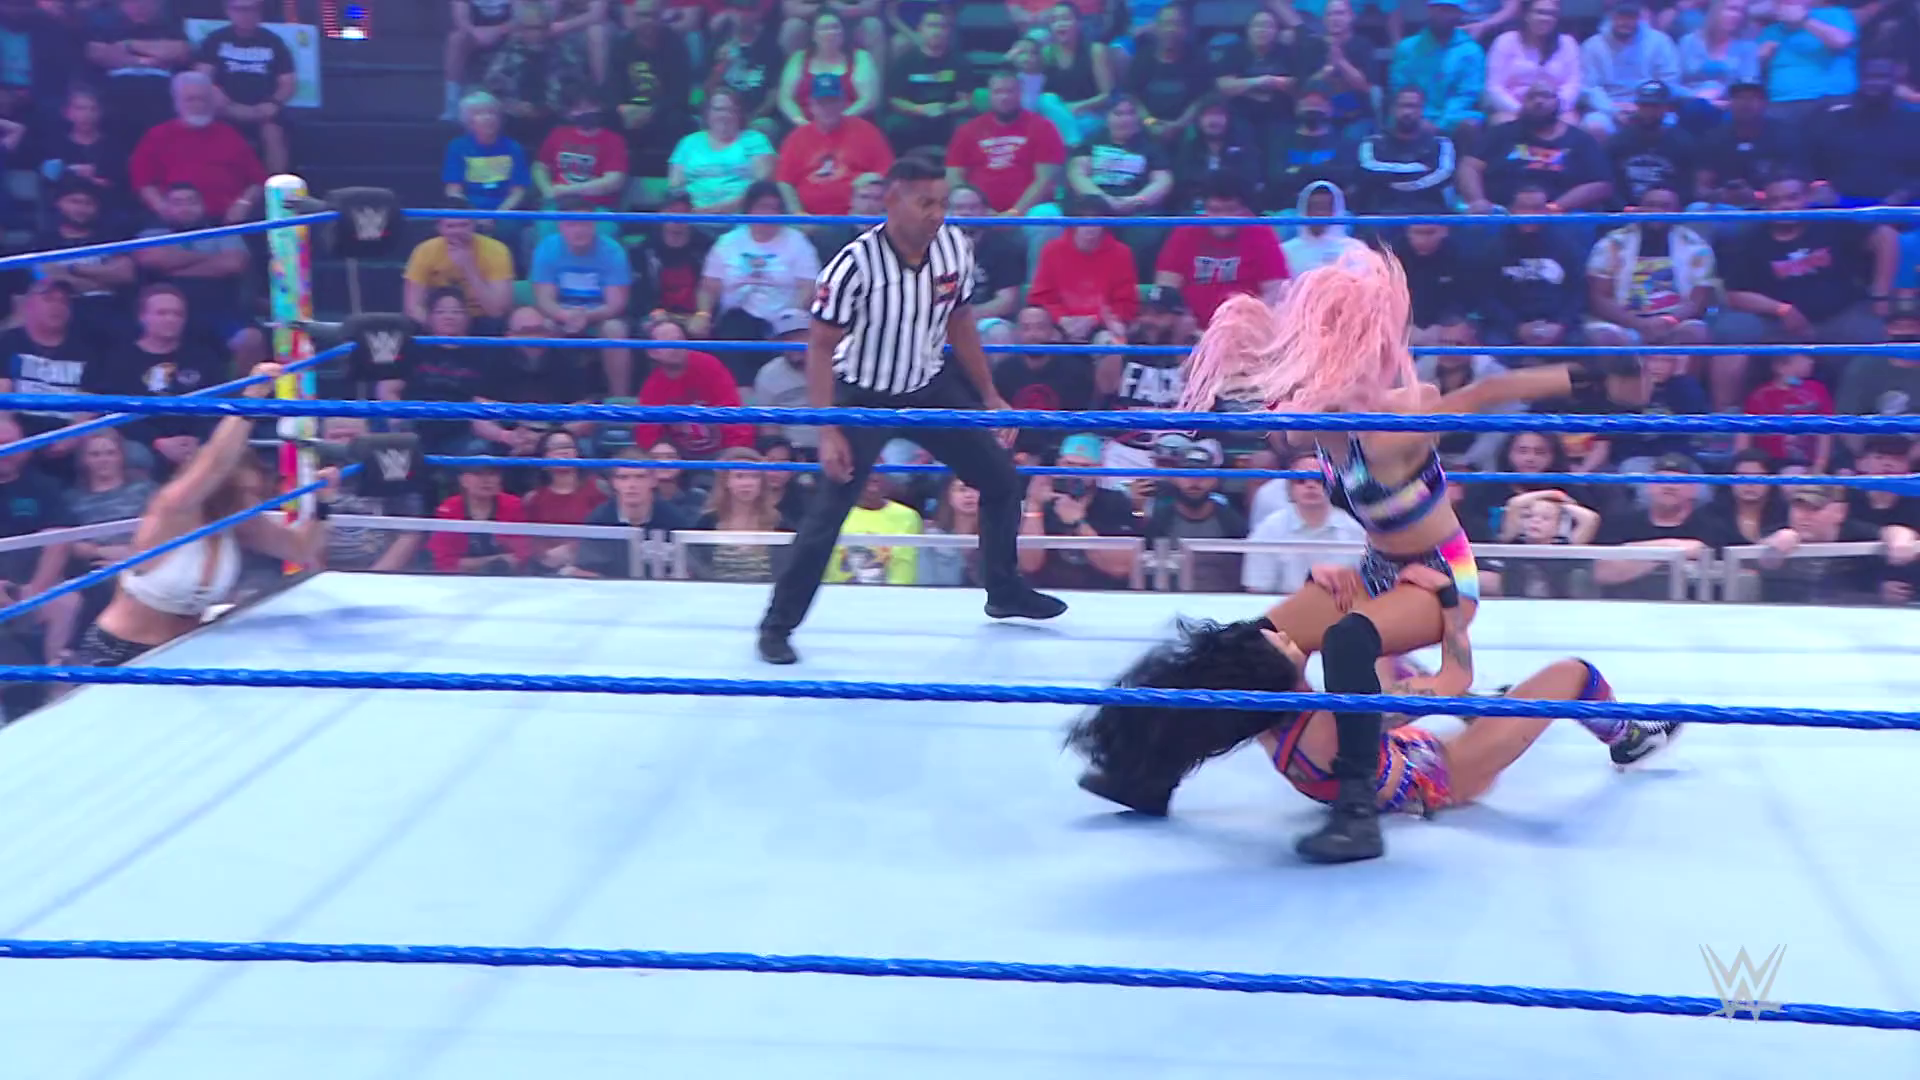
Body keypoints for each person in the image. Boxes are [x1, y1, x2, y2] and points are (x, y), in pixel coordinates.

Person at [1167, 245, 1638, 863]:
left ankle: (1362, 811)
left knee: (1350, 646)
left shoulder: (1395, 427)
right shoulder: (1318, 431)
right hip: (1379, 576)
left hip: (1439, 576)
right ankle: (1148, 768)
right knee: (1255, 643)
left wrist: (1596, 379)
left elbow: (1490, 391)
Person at [1067, 564, 1682, 823]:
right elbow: (1451, 682)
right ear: (1278, 675)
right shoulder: (1334, 722)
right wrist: (1451, 610)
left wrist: (1328, 585)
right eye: (1283, 647)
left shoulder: (1252, 715)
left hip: (1396, 746)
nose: (1286, 638)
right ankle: (1627, 736)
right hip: (1443, 775)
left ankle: (1493, 705)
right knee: (1573, 674)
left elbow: (1311, 643)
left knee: (1368, 642)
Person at [756, 155, 1065, 665]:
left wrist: (990, 396)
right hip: (862, 393)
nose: (936, 213)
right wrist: (827, 427)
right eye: (925, 203)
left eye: (941, 202)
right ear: (893, 200)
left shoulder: (954, 246)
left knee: (1001, 479)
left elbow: (960, 320)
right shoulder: (854, 265)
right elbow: (820, 346)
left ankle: (1003, 590)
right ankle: (776, 626)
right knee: (829, 512)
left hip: (927, 383)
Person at [71, 364, 331, 668]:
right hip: (119, 652)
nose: (254, 500)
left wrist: (324, 503)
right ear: (222, 486)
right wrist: (251, 401)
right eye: (246, 492)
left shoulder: (236, 520)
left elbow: (302, 549)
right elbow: (216, 462)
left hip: (184, 656)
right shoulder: (173, 509)